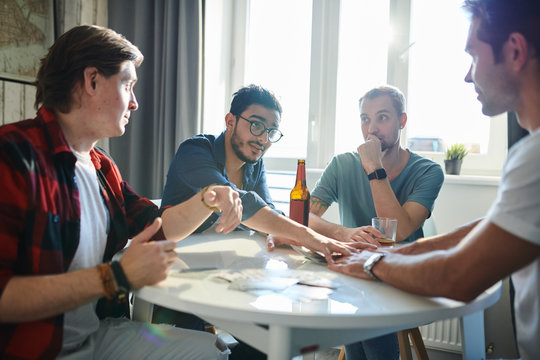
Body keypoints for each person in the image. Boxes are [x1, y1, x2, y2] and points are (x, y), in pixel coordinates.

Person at [0, 25, 243, 360]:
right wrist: (116, 277)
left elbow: (158, 227)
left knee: (212, 350)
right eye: (128, 84)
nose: (135, 103)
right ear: (92, 81)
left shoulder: (102, 167)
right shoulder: (13, 154)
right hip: (35, 348)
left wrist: (208, 199)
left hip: (97, 334)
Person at [327, 1, 540, 359]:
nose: (468, 76)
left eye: (473, 56)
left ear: (515, 51)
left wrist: (370, 263)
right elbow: (482, 229)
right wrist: (388, 252)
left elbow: (456, 277)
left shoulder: (533, 159)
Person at [309, 85, 444, 359]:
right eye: (365, 119)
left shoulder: (428, 172)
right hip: (354, 275)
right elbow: (303, 218)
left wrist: (373, 167)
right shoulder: (342, 165)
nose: (371, 129)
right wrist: (343, 232)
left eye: (382, 117)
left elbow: (400, 229)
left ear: (402, 121)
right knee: (356, 305)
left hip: (400, 279)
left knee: (367, 310)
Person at [162, 84, 369, 258]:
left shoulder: (254, 164)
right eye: (256, 125)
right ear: (230, 121)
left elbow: (266, 207)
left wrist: (276, 232)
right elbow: (241, 200)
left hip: (223, 264)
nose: (263, 139)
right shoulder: (195, 151)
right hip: (173, 265)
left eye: (271, 132)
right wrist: (310, 237)